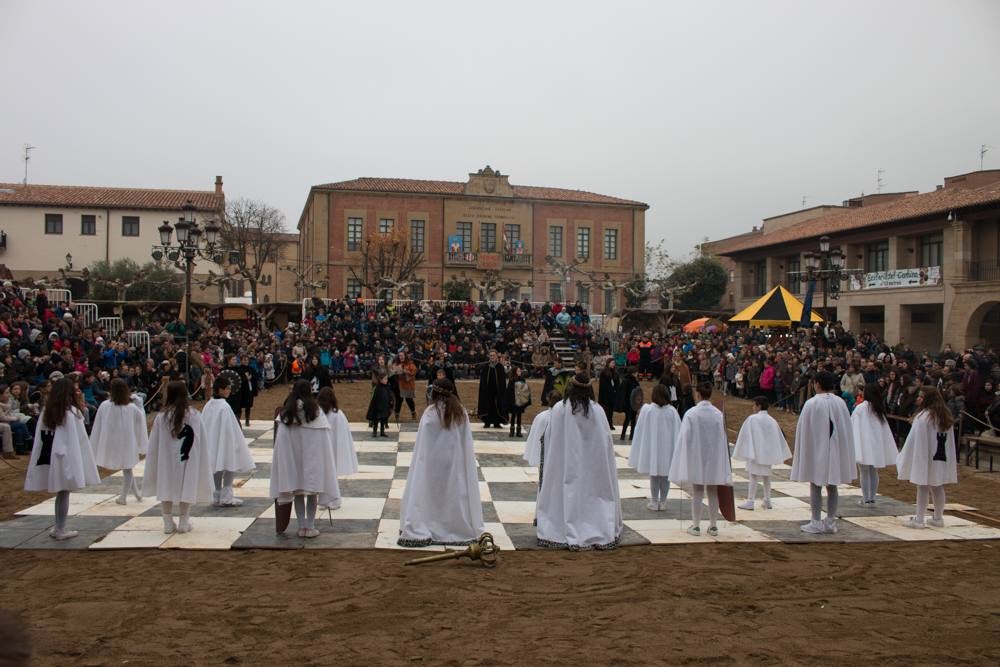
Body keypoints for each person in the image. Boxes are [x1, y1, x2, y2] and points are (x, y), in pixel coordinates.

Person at [536, 373, 622, 550]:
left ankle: (565, 527)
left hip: (566, 462)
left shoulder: (561, 408)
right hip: (593, 465)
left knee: (566, 490)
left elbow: (552, 438)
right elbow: (605, 442)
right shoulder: (597, 410)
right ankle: (595, 525)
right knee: (593, 493)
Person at [398, 378, 484, 547]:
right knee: (452, 494)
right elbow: (465, 443)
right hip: (454, 464)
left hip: (431, 465)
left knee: (431, 494)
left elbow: (422, 445)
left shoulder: (430, 413)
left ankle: (430, 523)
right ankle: (453, 526)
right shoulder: (461, 412)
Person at [23, 377, 99, 540]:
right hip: (64, 457)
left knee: (62, 492)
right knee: (64, 491)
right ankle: (60, 528)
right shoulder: (70, 413)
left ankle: (59, 526)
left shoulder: (47, 410)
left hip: (49, 454)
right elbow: (76, 440)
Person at [270, 380, 341, 538]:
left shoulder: (288, 412)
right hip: (312, 463)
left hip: (293, 464)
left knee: (299, 493)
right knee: (311, 494)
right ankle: (310, 526)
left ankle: (301, 526)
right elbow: (324, 440)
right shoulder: (316, 412)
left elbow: (280, 442)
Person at [143, 380, 214, 534]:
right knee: (187, 484)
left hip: (166, 459)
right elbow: (201, 439)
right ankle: (183, 520)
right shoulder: (194, 415)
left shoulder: (162, 416)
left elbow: (154, 442)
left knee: (165, 484)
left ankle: (168, 522)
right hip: (188, 457)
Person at [791, 371, 856, 535]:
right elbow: (844, 429)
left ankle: (816, 520)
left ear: (817, 384)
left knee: (816, 483)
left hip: (816, 449)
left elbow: (804, 431)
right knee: (832, 485)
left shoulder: (812, 403)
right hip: (834, 449)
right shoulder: (840, 402)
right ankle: (830, 521)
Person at [669, 382, 732, 536]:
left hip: (697, 455)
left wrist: (683, 456)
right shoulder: (718, 414)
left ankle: (696, 526)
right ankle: (713, 525)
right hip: (713, 456)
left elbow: (685, 437)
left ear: (697, 394)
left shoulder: (691, 413)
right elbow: (723, 438)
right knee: (712, 490)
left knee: (697, 490)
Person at [897, 386, 957, 528]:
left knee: (922, 486)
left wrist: (904, 456)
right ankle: (938, 517)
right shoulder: (945, 416)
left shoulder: (923, 417)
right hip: (940, 457)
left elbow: (913, 441)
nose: (918, 398)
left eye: (921, 396)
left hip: (925, 455)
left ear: (928, 399)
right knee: (937, 485)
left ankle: (919, 519)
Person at [90, 378, 148, 505]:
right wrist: (140, 405)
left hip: (113, 442)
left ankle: (127, 496)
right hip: (127, 442)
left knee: (127, 467)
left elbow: (98, 424)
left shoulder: (105, 405)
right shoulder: (131, 408)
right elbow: (141, 422)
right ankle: (129, 495)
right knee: (127, 467)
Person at [202, 375, 256, 507]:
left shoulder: (209, 404)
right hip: (225, 441)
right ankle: (226, 496)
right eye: (227, 388)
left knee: (217, 467)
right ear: (220, 390)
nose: (229, 391)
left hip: (212, 442)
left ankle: (217, 495)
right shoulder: (224, 406)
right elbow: (229, 426)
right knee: (228, 466)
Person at [629, 384, 681, 511]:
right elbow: (679, 432)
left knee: (655, 476)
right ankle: (663, 502)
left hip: (653, 450)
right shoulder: (672, 411)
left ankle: (654, 501)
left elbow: (639, 429)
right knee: (665, 476)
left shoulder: (648, 410)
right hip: (667, 450)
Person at [733, 395, 791, 511]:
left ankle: (751, 500)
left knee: (753, 476)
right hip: (767, 453)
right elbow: (777, 437)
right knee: (767, 477)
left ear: (758, 406)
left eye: (754, 405)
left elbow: (746, 435)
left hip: (755, 452)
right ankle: (767, 500)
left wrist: (747, 450)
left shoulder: (752, 419)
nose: (753, 407)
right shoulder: (772, 420)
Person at [852, 382, 898, 505]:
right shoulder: (878, 409)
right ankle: (871, 497)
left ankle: (866, 498)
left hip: (863, 443)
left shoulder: (861, 408)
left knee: (864, 472)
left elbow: (853, 426)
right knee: (873, 471)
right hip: (876, 444)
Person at [318, 385, 358, 509]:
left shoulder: (320, 414)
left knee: (325, 475)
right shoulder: (336, 414)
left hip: (324, 449)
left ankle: (330, 499)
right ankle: (330, 499)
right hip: (332, 448)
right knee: (330, 475)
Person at [477, 350, 507, 428]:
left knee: (497, 406)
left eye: (493, 355)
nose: (492, 357)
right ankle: (487, 422)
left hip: (497, 391)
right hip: (487, 391)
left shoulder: (500, 367)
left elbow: (502, 380)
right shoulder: (486, 367)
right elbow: (483, 380)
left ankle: (497, 422)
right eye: (490, 355)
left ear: (496, 356)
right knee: (487, 406)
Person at [615, 365, 641, 441]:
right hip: (628, 404)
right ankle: (623, 435)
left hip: (634, 404)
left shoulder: (635, 381)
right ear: (633, 373)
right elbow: (623, 394)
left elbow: (638, 393)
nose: (637, 373)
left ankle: (632, 435)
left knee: (633, 420)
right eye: (636, 372)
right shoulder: (626, 381)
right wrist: (623, 404)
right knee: (627, 419)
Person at [366, 370, 393, 437]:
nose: (386, 380)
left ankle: (382, 432)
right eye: (385, 379)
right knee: (376, 420)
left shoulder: (387, 387)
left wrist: (391, 401)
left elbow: (390, 395)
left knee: (383, 419)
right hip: (377, 407)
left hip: (385, 406)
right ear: (381, 380)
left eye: (387, 379)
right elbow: (374, 398)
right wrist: (375, 406)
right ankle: (374, 432)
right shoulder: (377, 388)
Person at [506, 365, 531, 438]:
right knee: (513, 416)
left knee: (519, 416)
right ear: (515, 372)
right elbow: (509, 392)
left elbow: (524, 389)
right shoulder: (511, 380)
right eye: (518, 371)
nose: (520, 372)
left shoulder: (522, 379)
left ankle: (518, 432)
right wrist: (512, 400)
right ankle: (512, 431)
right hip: (514, 401)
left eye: (520, 371)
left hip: (520, 401)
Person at [597, 358, 619, 431]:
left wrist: (616, 390)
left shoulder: (615, 373)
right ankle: (605, 425)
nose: (613, 364)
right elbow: (603, 386)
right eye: (612, 363)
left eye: (614, 363)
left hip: (612, 395)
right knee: (605, 411)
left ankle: (610, 424)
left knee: (611, 411)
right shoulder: (604, 372)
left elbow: (617, 383)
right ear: (608, 363)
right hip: (605, 395)